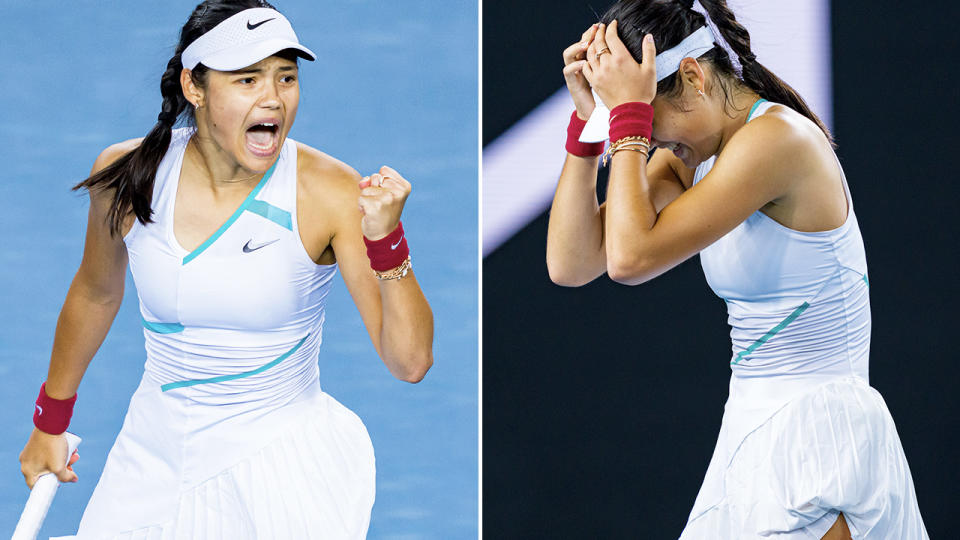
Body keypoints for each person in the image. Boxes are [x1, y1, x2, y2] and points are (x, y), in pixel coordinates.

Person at [18, 1, 433, 537]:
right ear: (195, 87)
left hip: (281, 464)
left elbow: (410, 362)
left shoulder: (329, 193)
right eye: (247, 79)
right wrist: (50, 420)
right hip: (153, 455)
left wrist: (387, 243)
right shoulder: (125, 175)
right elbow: (95, 294)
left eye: (287, 77)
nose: (274, 99)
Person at [547, 0, 927, 538]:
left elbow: (630, 260)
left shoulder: (777, 141)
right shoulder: (691, 155)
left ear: (694, 76)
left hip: (820, 438)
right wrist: (589, 126)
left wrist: (627, 123)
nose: (652, 144)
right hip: (752, 433)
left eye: (649, 125)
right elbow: (573, 262)